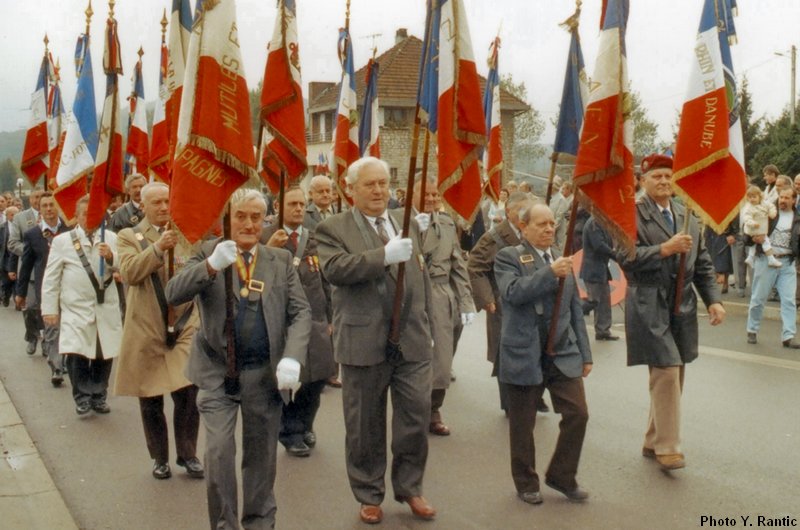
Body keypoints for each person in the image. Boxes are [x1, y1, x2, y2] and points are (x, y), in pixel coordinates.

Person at [166, 188, 311, 530]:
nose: (248, 224)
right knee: (218, 453)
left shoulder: (277, 260)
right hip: (218, 372)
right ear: (227, 219)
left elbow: (300, 312)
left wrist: (292, 357)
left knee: (261, 456)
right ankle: (224, 523)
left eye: (255, 217)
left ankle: (260, 521)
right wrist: (211, 265)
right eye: (240, 216)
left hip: (263, 373)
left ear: (265, 220)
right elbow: (174, 293)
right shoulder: (207, 251)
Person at [315, 157, 437, 524]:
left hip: (411, 338)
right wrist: (382, 256)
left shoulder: (407, 223)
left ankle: (410, 487)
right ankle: (369, 493)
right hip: (363, 339)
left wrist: (428, 323)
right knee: (365, 424)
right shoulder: (332, 227)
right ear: (350, 189)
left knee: (416, 415)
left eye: (383, 183)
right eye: (369, 184)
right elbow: (335, 269)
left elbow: (420, 276)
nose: (378, 191)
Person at [620, 153, 725, 471]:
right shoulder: (632, 214)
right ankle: (668, 447)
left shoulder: (685, 212)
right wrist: (663, 250)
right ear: (642, 180)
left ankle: (653, 438)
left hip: (682, 303)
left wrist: (714, 300)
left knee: (675, 371)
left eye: (668, 176)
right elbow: (624, 255)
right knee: (666, 370)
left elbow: (703, 261)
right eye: (657, 177)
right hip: (649, 300)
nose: (664, 182)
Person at [494, 203, 592, 505]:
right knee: (523, 423)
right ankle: (526, 482)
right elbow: (513, 293)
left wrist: (586, 354)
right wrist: (549, 273)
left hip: (561, 351)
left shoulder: (562, 261)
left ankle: (562, 476)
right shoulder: (508, 257)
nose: (550, 229)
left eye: (552, 224)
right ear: (524, 228)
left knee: (578, 413)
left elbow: (575, 310)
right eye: (541, 224)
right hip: (524, 351)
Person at [114, 182, 203, 480]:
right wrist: (157, 248)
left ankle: (188, 454)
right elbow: (129, 272)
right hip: (147, 324)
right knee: (150, 395)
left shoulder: (186, 233)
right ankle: (159, 457)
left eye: (168, 201)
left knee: (189, 390)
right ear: (143, 205)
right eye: (157, 203)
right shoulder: (129, 236)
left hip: (183, 323)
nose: (164, 207)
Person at [263, 186, 335, 457]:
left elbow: (327, 279)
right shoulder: (266, 236)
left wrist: (330, 317)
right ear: (278, 206)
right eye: (292, 203)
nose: (298, 209)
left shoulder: (314, 238)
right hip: (281, 318)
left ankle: (306, 423)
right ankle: (290, 431)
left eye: (301, 204)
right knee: (288, 378)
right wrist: (269, 249)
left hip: (315, 316)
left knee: (317, 377)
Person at [469, 192, 550, 414]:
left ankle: (535, 395)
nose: (525, 214)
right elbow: (475, 266)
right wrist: (486, 298)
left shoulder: (533, 232)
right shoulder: (494, 237)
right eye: (521, 210)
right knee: (504, 355)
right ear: (508, 212)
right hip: (503, 302)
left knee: (537, 348)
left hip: (533, 299)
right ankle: (510, 402)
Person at [41, 196, 122, 414]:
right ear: (76, 216)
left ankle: (99, 395)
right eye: (84, 214)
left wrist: (112, 257)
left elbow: (126, 267)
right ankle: (82, 396)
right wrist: (49, 309)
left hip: (105, 307)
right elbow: (51, 278)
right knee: (76, 354)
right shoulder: (62, 241)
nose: (89, 218)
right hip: (76, 308)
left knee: (102, 354)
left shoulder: (112, 238)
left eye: (94, 213)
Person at [414, 178, 476, 436]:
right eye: (425, 195)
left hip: (442, 294)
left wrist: (466, 302)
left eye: (434, 195)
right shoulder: (401, 222)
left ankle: (433, 407)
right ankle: (419, 409)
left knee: (443, 359)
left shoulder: (447, 224)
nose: (431, 199)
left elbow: (458, 267)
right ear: (412, 194)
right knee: (418, 359)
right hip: (415, 293)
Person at [15, 192, 68, 382]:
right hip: (46, 290)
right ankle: (56, 367)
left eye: (52, 205)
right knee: (53, 328)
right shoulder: (33, 235)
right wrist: (20, 293)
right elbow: (26, 265)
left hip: (70, 289)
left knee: (68, 328)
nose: (48, 209)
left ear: (58, 207)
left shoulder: (69, 230)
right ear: (40, 209)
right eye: (44, 206)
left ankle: (67, 359)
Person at [745, 188, 800, 349]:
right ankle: (752, 329)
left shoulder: (797, 219)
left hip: (787, 263)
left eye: (787, 198)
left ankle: (788, 336)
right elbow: (748, 229)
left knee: (789, 300)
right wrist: (753, 237)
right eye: (781, 197)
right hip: (766, 261)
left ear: (794, 200)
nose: (782, 200)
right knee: (758, 298)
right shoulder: (770, 213)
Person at [8, 188, 45, 354]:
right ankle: (32, 336)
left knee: (46, 309)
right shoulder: (20, 218)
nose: (38, 200)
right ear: (30, 199)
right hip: (29, 270)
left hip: (48, 269)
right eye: (36, 197)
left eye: (41, 197)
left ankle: (47, 341)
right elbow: (13, 243)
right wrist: (32, 250)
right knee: (30, 307)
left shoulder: (53, 216)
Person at [580, 216, 619, 340]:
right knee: (594, 300)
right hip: (592, 269)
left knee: (604, 301)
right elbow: (599, 245)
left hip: (601, 268)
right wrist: (616, 255)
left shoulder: (601, 221)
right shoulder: (594, 223)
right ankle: (570, 314)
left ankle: (603, 331)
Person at [741, 186, 781, 268]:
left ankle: (750, 257)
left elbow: (771, 207)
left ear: (760, 196)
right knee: (766, 242)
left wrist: (772, 213)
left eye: (754, 197)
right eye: (750, 197)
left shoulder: (765, 203)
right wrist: (752, 223)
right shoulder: (748, 207)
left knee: (755, 243)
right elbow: (746, 217)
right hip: (753, 228)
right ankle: (771, 258)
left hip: (761, 227)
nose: (752, 199)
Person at [549, 181, 574, 253]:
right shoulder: (556, 198)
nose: (562, 190)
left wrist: (553, 228)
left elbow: (559, 216)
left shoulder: (563, 199)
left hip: (561, 227)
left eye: (564, 189)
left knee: (560, 245)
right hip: (554, 226)